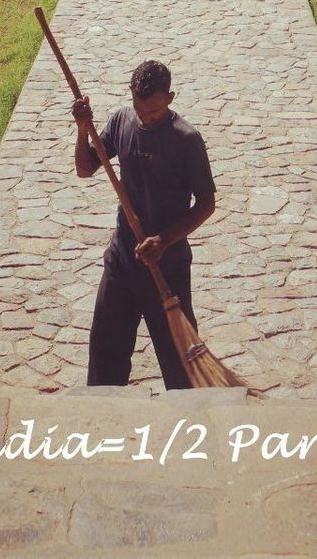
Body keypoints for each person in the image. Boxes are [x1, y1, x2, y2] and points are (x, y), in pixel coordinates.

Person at [72, 58, 216, 389]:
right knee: (105, 358)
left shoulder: (186, 140)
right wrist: (82, 129)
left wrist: (163, 241)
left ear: (170, 97)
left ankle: (188, 428)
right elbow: (85, 168)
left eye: (153, 111)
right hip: (122, 261)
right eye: (140, 110)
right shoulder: (122, 120)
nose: (146, 118)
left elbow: (206, 204)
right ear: (131, 96)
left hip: (168, 268)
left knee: (181, 369)